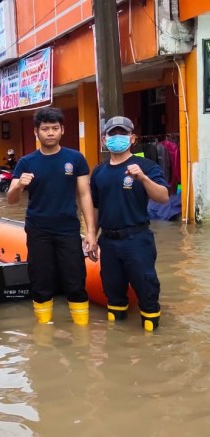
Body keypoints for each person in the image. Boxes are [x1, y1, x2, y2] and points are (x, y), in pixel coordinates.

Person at [6, 107, 97, 325]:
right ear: (35, 132)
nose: (50, 133)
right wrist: (18, 185)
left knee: (75, 280)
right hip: (38, 229)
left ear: (62, 130)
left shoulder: (75, 159)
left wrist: (91, 232)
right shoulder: (26, 163)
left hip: (68, 229)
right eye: (45, 129)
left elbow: (84, 195)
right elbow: (11, 200)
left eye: (55, 128)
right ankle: (43, 332)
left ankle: (81, 332)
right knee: (40, 280)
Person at [91, 116, 169, 331]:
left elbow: (163, 197)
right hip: (108, 241)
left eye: (123, 133)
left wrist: (143, 178)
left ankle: (152, 343)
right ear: (104, 140)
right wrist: (91, 236)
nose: (117, 138)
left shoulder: (146, 166)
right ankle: (117, 345)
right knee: (113, 292)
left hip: (137, 240)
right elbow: (95, 207)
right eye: (112, 134)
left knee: (147, 289)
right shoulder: (98, 171)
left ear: (133, 138)